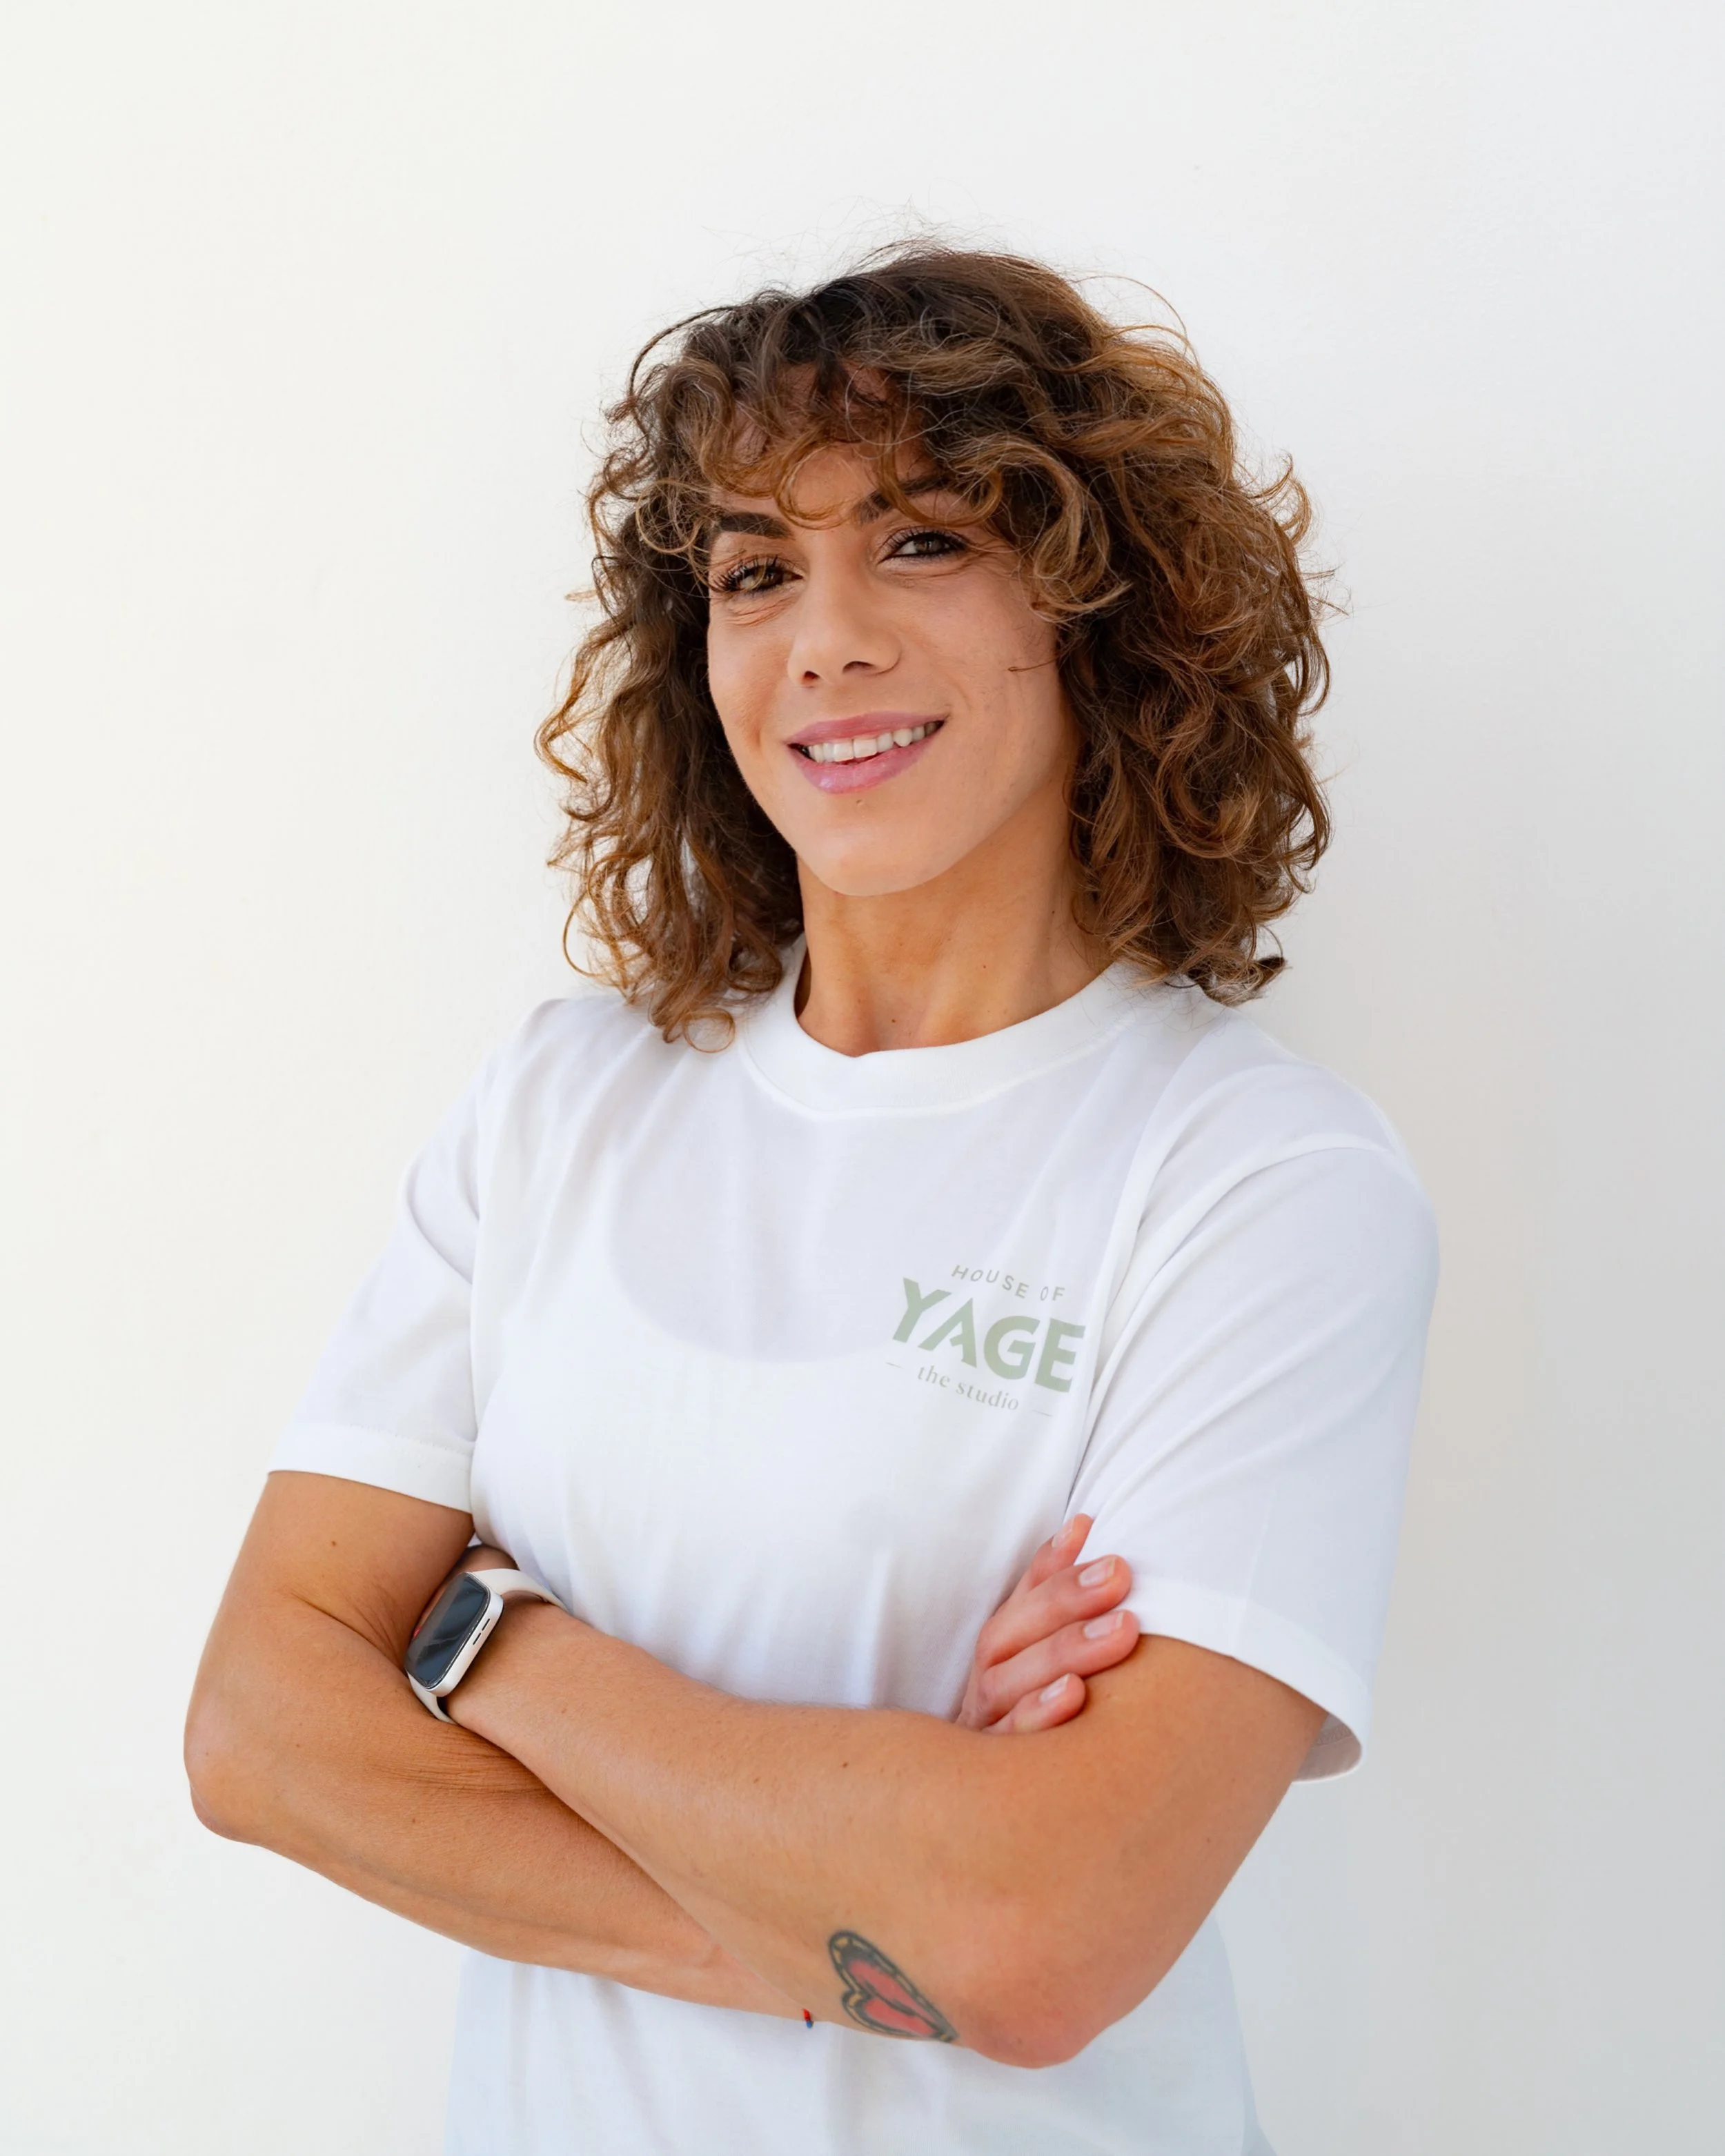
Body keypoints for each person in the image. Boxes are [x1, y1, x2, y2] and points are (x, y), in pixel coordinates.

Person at [186, 245, 1437, 2155]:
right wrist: (866, 1922)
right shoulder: (560, 1105)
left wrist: (489, 1642)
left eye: (922, 542)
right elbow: (260, 1730)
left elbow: (1039, 1937)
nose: (825, 639)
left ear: (1097, 609)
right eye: (757, 568)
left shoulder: (1261, 1183)